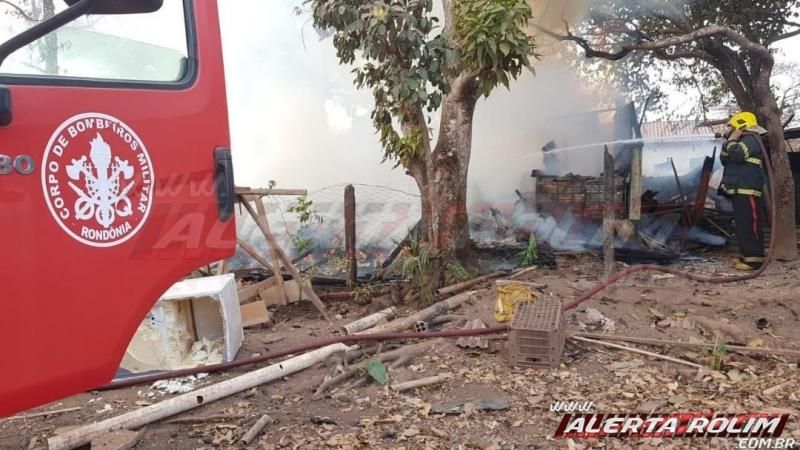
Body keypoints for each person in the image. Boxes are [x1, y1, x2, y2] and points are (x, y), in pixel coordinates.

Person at [718, 112, 768, 271]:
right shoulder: (737, 141)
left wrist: (732, 139)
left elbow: (738, 154)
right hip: (739, 189)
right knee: (742, 225)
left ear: (741, 125)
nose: (731, 130)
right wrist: (729, 140)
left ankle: (754, 260)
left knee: (751, 224)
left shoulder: (752, 139)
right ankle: (747, 255)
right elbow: (724, 159)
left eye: (733, 127)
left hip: (749, 189)